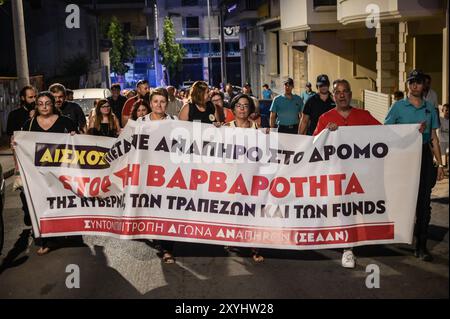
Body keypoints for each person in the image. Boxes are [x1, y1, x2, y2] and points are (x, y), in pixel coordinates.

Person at [314, 79, 381, 269]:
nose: (341, 95)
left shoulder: (364, 115)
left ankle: (358, 241)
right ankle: (347, 248)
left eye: (345, 91)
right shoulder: (325, 118)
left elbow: (386, 134)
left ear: (350, 94)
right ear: (333, 96)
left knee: (361, 208)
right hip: (337, 173)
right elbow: (314, 146)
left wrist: (413, 132)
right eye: (338, 92)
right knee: (344, 210)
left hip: (362, 174)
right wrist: (326, 133)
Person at [384, 69, 445, 262]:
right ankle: (399, 235)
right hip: (403, 156)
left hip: (424, 156)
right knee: (402, 199)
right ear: (407, 84)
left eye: (418, 82)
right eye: (411, 82)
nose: (415, 85)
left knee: (424, 202)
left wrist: (440, 163)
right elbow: (387, 132)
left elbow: (434, 138)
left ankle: (421, 245)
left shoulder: (429, 109)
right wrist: (408, 132)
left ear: (423, 85)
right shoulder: (397, 107)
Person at [22, 91, 77, 256]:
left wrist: (75, 137)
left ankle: (68, 231)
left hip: (62, 172)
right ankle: (46, 240)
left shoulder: (66, 122)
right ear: (36, 106)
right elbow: (22, 146)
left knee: (61, 202)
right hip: (38, 174)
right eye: (40, 103)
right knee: (41, 205)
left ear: (53, 105)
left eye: (47, 103)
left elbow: (79, 144)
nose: (44, 106)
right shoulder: (29, 124)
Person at [223, 94, 264, 262]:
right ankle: (233, 237)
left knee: (252, 211)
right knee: (233, 209)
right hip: (231, 177)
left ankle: (254, 246)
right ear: (233, 109)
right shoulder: (225, 128)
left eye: (246, 106)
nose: (242, 108)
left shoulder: (258, 130)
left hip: (251, 176)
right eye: (238, 105)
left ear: (250, 110)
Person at [138, 88, 177, 263]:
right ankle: (158, 241)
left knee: (167, 209)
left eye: (162, 101)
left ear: (167, 104)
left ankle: (166, 247)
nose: (159, 105)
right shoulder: (141, 122)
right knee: (152, 209)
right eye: (155, 101)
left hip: (169, 173)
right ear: (150, 103)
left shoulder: (175, 121)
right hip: (148, 173)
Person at [7, 85, 37, 227]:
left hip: (39, 159)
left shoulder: (41, 113)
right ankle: (27, 209)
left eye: (34, 96)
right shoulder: (14, 115)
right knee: (25, 189)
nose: (33, 99)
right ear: (22, 98)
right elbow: (13, 141)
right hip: (23, 160)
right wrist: (16, 164)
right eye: (30, 97)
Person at [438, 104, 449, 168]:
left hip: (448, 140)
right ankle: (441, 166)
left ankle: (447, 167)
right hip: (441, 140)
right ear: (442, 110)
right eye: (446, 110)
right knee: (441, 154)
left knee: (448, 153)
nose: (448, 112)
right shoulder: (440, 119)